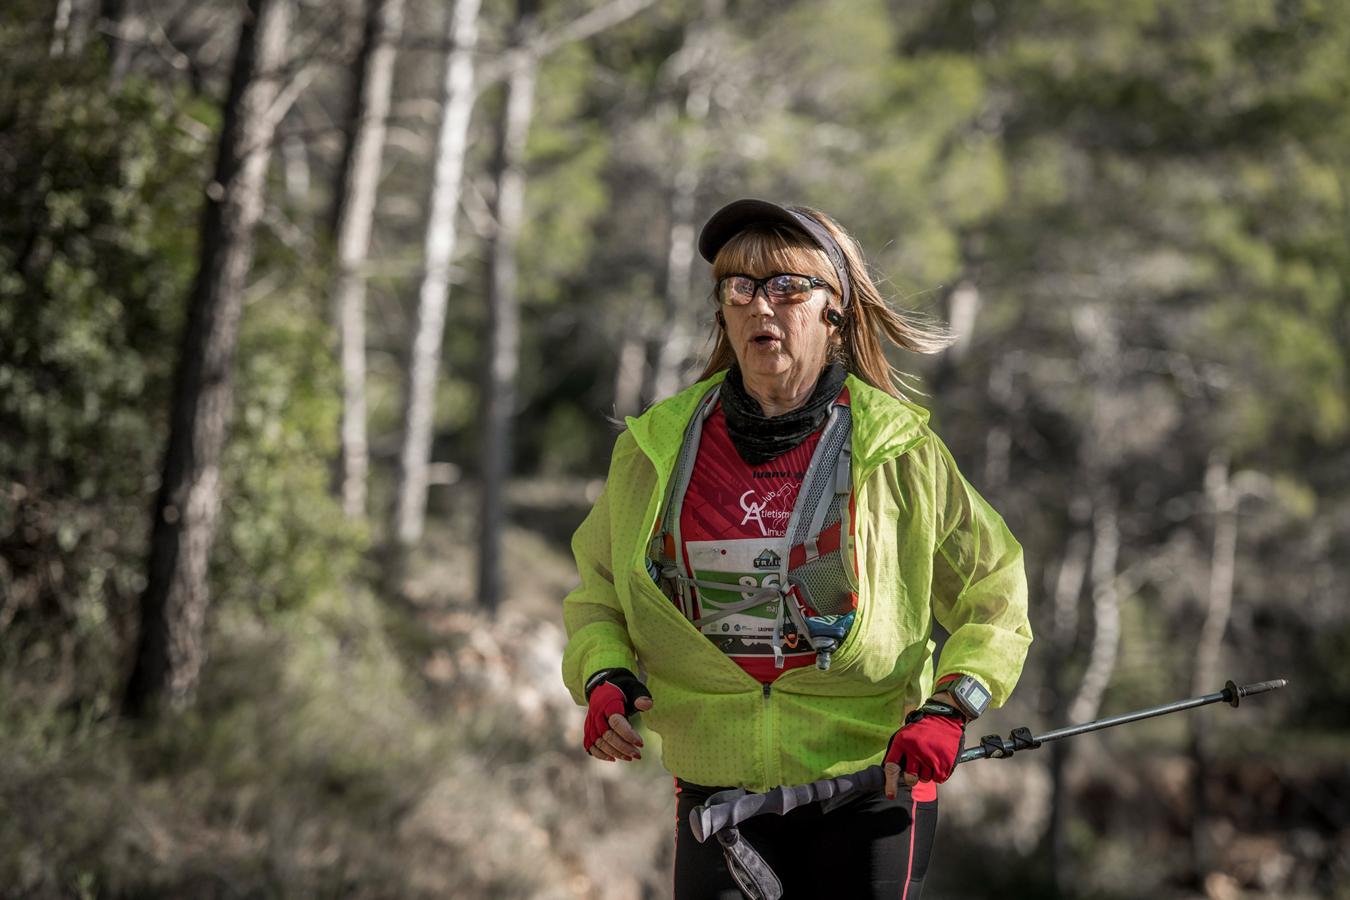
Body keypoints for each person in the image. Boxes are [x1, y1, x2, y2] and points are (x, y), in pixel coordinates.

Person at [561, 199, 1032, 899]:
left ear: (835, 312)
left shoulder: (899, 449)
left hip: (874, 786)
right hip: (718, 792)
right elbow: (599, 592)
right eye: (740, 287)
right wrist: (603, 677)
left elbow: (994, 591)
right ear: (722, 311)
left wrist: (950, 706)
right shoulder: (656, 448)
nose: (762, 306)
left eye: (789, 286)